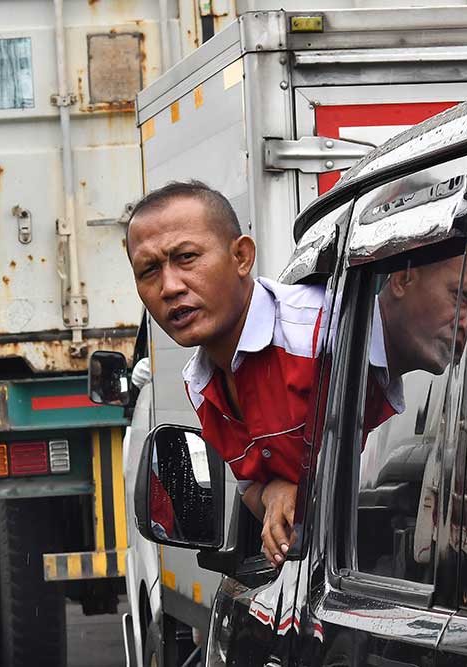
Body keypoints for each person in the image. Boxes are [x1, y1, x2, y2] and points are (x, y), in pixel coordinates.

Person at [126, 180, 333, 567]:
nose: (169, 287)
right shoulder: (202, 382)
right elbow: (251, 484)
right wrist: (274, 493)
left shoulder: (320, 330)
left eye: (186, 257)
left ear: (241, 256)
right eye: (149, 271)